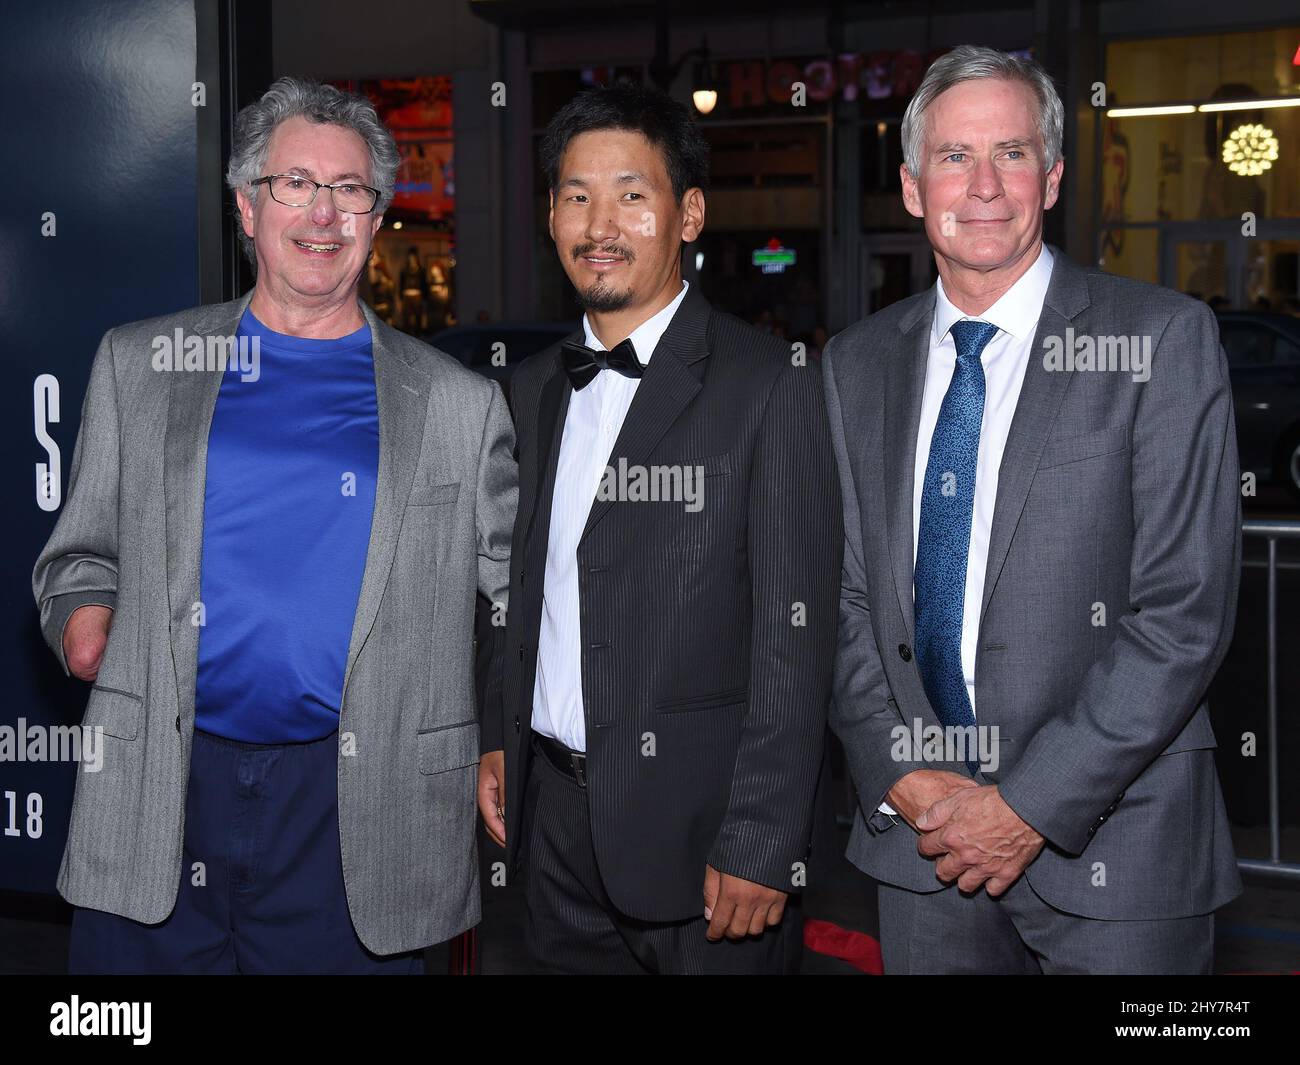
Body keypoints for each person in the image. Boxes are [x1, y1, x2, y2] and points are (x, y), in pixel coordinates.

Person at [32, 76, 517, 974]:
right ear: (247, 207)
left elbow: (510, 607)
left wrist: (502, 739)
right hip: (161, 790)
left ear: (376, 219)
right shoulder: (139, 364)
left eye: (350, 190)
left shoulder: (459, 404)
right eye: (296, 183)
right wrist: (83, 623)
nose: (324, 213)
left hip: (359, 812)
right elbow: (79, 555)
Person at [822, 45, 1241, 974]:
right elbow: (840, 599)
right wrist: (901, 771)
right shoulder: (853, 365)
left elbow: (1184, 612)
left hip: (1121, 852)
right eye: (954, 156)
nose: (983, 186)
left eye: (1010, 154)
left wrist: (1024, 807)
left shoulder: (1159, 339)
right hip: (920, 845)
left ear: (1051, 179)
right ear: (909, 185)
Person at [477, 82, 841, 974]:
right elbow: (518, 588)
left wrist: (762, 837)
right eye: (576, 195)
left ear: (689, 215)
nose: (600, 223)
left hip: (709, 837)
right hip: (554, 825)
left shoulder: (772, 385)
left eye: (632, 196)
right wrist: (498, 730)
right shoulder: (530, 391)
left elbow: (797, 639)